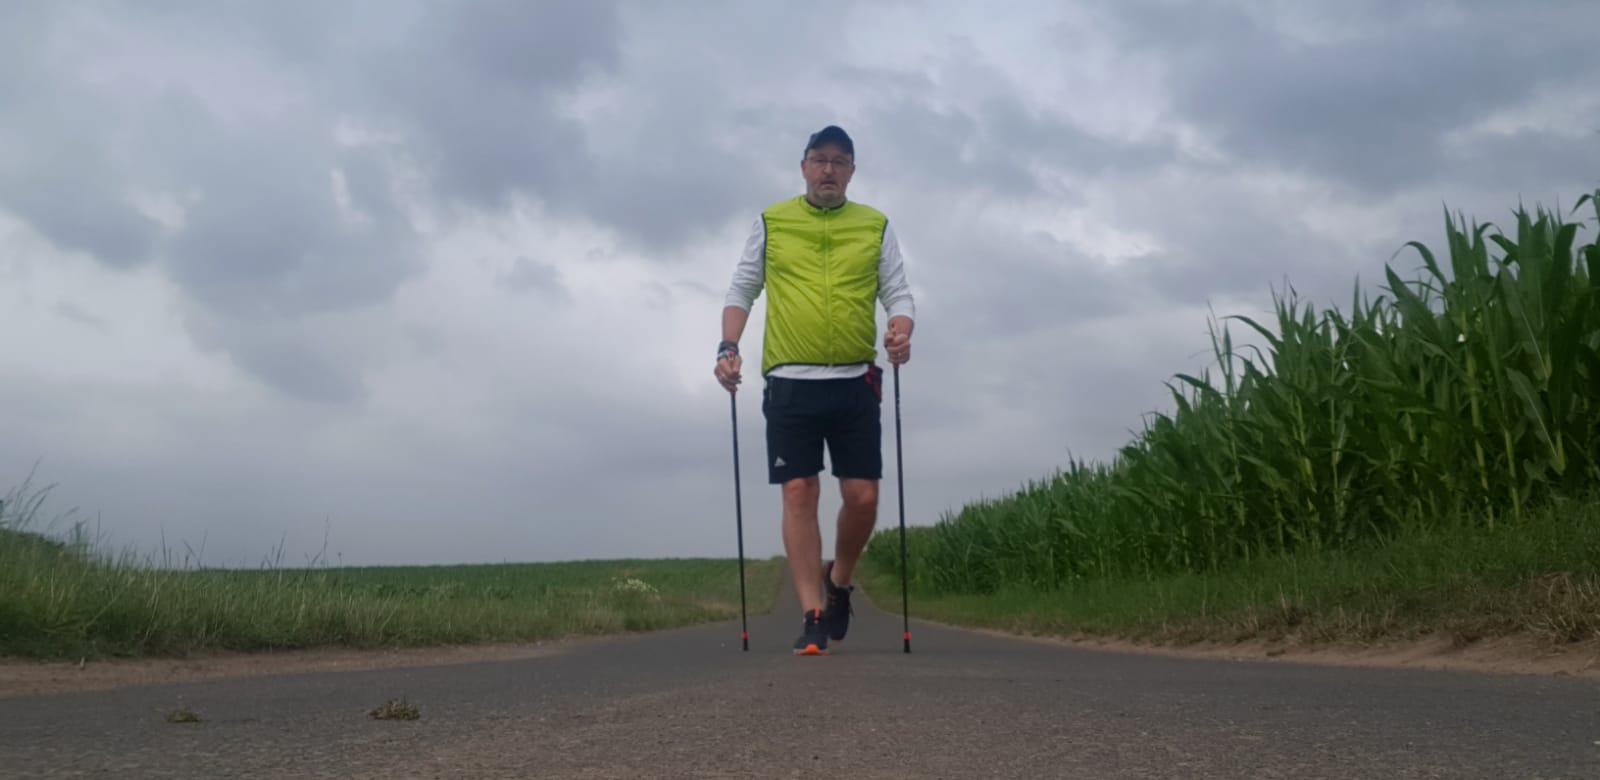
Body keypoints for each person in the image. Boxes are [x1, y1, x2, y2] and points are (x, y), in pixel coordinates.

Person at [715, 125, 916, 656]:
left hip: (855, 380)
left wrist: (901, 332)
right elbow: (742, 288)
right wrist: (727, 346)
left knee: (863, 498)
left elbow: (898, 294)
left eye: (839, 161)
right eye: (820, 159)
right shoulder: (772, 221)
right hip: (789, 381)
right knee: (799, 490)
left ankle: (839, 582)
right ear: (803, 166)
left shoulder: (874, 225)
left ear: (851, 172)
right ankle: (811, 616)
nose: (829, 169)